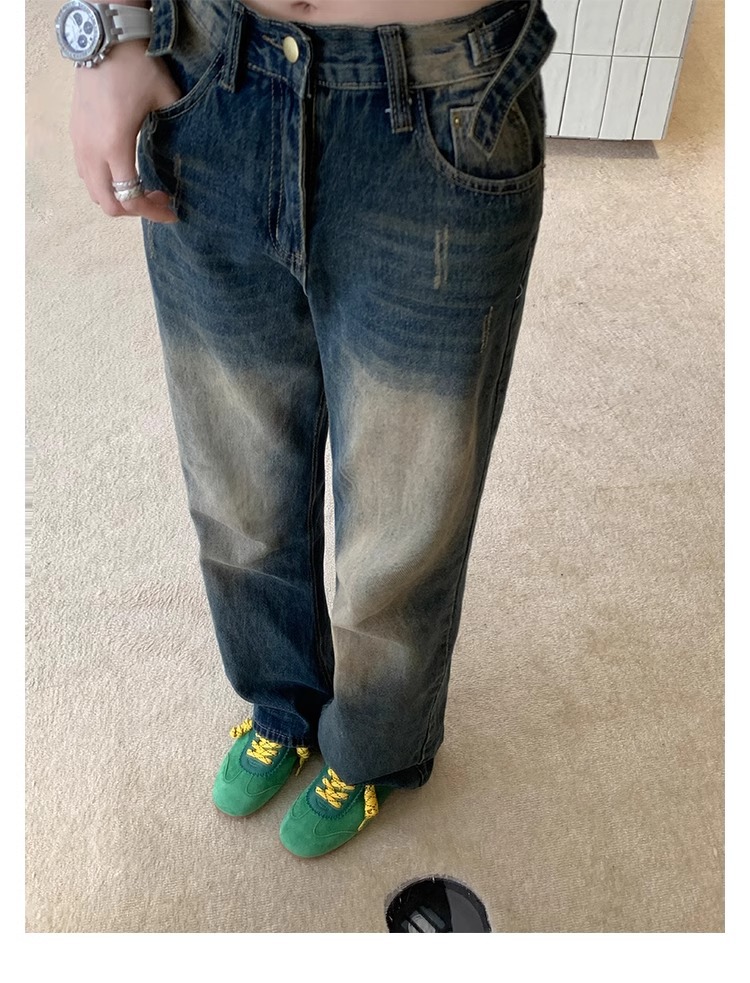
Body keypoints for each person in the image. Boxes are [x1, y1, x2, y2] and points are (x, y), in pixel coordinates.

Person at [65, 0, 556, 858]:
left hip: (443, 99)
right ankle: (281, 705)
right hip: (212, 76)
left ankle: (373, 751)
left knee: (405, 525)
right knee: (236, 492)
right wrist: (104, 31)